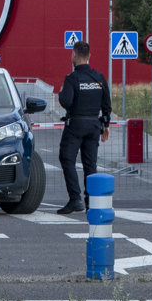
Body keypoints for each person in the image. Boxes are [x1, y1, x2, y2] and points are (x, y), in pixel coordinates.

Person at [56, 40, 111, 215]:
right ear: (89, 56)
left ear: (73, 54)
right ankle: (91, 202)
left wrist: (61, 93)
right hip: (94, 125)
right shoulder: (99, 78)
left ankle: (75, 199)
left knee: (67, 159)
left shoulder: (72, 79)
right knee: (90, 164)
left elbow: (66, 101)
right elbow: (107, 103)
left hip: (75, 125)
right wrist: (106, 125)